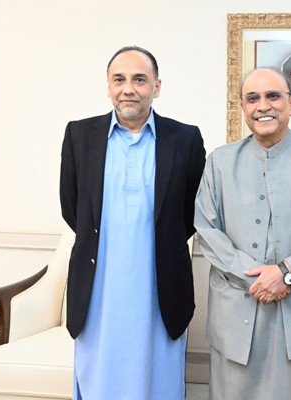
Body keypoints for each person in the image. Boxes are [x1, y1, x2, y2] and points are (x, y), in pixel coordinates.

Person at [194, 67, 291, 400]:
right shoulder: (220, 163)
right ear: (243, 106)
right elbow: (207, 231)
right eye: (253, 98)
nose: (262, 106)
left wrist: (287, 273)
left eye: (273, 96)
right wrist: (255, 277)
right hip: (237, 315)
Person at [59, 45, 206, 399]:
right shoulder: (80, 135)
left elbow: (193, 212)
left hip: (159, 288)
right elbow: (72, 207)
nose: (129, 89)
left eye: (140, 79)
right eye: (119, 79)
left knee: (158, 380)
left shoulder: (185, 138)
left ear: (157, 87)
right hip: (99, 289)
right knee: (100, 379)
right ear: (108, 86)